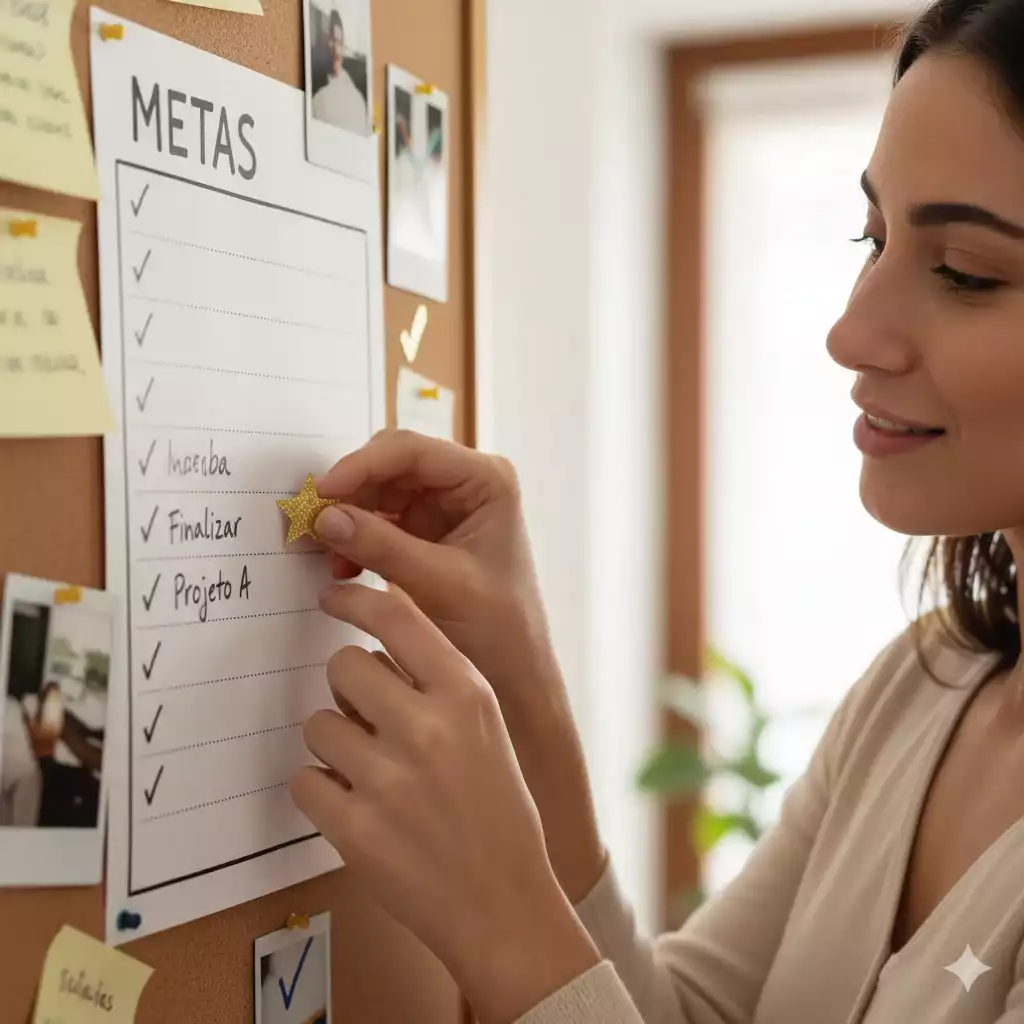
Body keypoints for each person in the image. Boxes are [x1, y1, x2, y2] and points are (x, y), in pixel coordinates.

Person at [289, 0, 1024, 1021]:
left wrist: (506, 921)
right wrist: (523, 683)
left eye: (965, 271)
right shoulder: (920, 687)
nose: (850, 331)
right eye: (872, 235)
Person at [310, 8, 368, 134]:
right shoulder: (317, 94)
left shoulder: (355, 98)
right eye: (330, 41)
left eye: (338, 42)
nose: (335, 49)